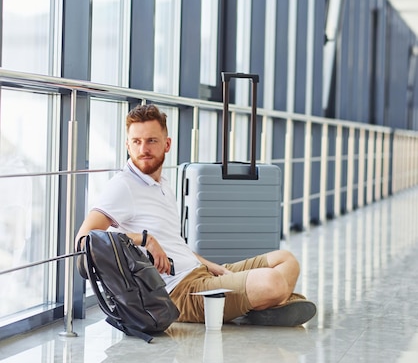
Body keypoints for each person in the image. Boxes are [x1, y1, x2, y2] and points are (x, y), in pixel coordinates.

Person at [76, 104, 316, 327]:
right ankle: (263, 302)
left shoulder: (162, 184)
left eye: (151, 141)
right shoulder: (123, 186)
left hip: (200, 273)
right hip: (179, 293)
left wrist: (214, 267)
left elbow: (175, 243)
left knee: (286, 260)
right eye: (136, 142)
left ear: (167, 144)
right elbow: (85, 240)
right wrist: (144, 239)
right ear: (127, 145)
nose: (143, 149)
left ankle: (257, 306)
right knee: (272, 282)